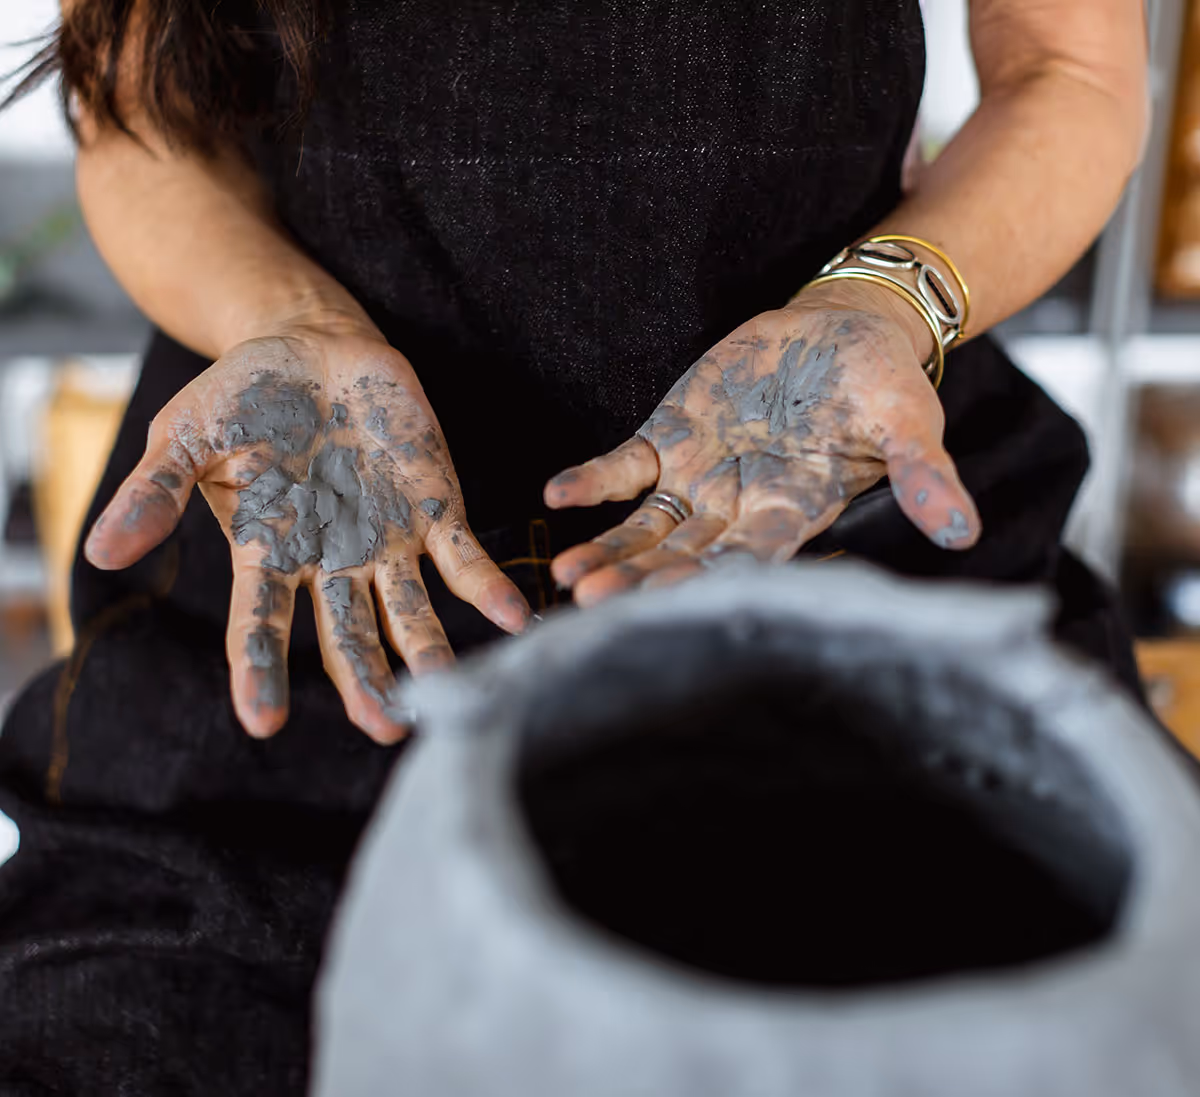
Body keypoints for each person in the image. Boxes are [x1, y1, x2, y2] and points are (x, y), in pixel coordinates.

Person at [0, 0, 1147, 1092]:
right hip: (332, 573)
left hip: (822, 515)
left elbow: (1069, 72)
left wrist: (885, 304)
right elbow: (139, 123)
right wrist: (283, 319)